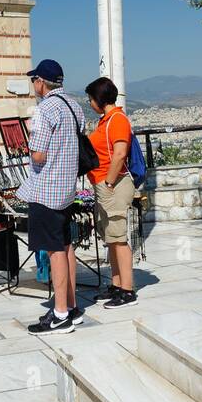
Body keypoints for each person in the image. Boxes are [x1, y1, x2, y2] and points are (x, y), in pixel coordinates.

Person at [18, 59, 84, 336]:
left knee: (54, 250)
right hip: (68, 189)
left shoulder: (45, 110)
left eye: (34, 80)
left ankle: (59, 314)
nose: (33, 85)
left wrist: (29, 147)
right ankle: (70, 305)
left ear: (41, 82)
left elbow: (39, 154)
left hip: (46, 189)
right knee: (66, 246)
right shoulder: (74, 106)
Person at [85, 76, 137, 308]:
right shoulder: (105, 120)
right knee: (111, 239)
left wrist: (108, 182)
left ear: (99, 98)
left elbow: (119, 153)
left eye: (90, 99)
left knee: (119, 239)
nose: (89, 103)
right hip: (105, 184)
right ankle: (116, 285)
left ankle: (127, 290)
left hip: (114, 185)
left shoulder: (117, 120)